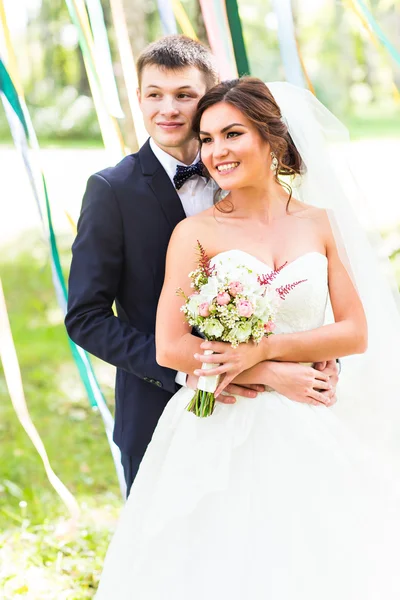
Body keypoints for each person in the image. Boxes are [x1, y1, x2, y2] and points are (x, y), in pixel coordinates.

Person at [95, 78, 400, 599]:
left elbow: (354, 330)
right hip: (222, 421)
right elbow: (169, 346)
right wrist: (261, 368)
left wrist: (265, 348)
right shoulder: (196, 233)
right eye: (207, 139)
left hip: (310, 419)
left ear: (272, 138)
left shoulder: (320, 224)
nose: (216, 152)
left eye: (231, 134)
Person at [65, 36, 337, 495]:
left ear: (208, 96)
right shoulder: (112, 191)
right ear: (139, 99)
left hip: (274, 413)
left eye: (184, 95)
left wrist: (316, 358)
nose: (167, 109)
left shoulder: (241, 167)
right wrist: (197, 370)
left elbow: (293, 274)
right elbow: (86, 318)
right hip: (160, 405)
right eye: (154, 94)